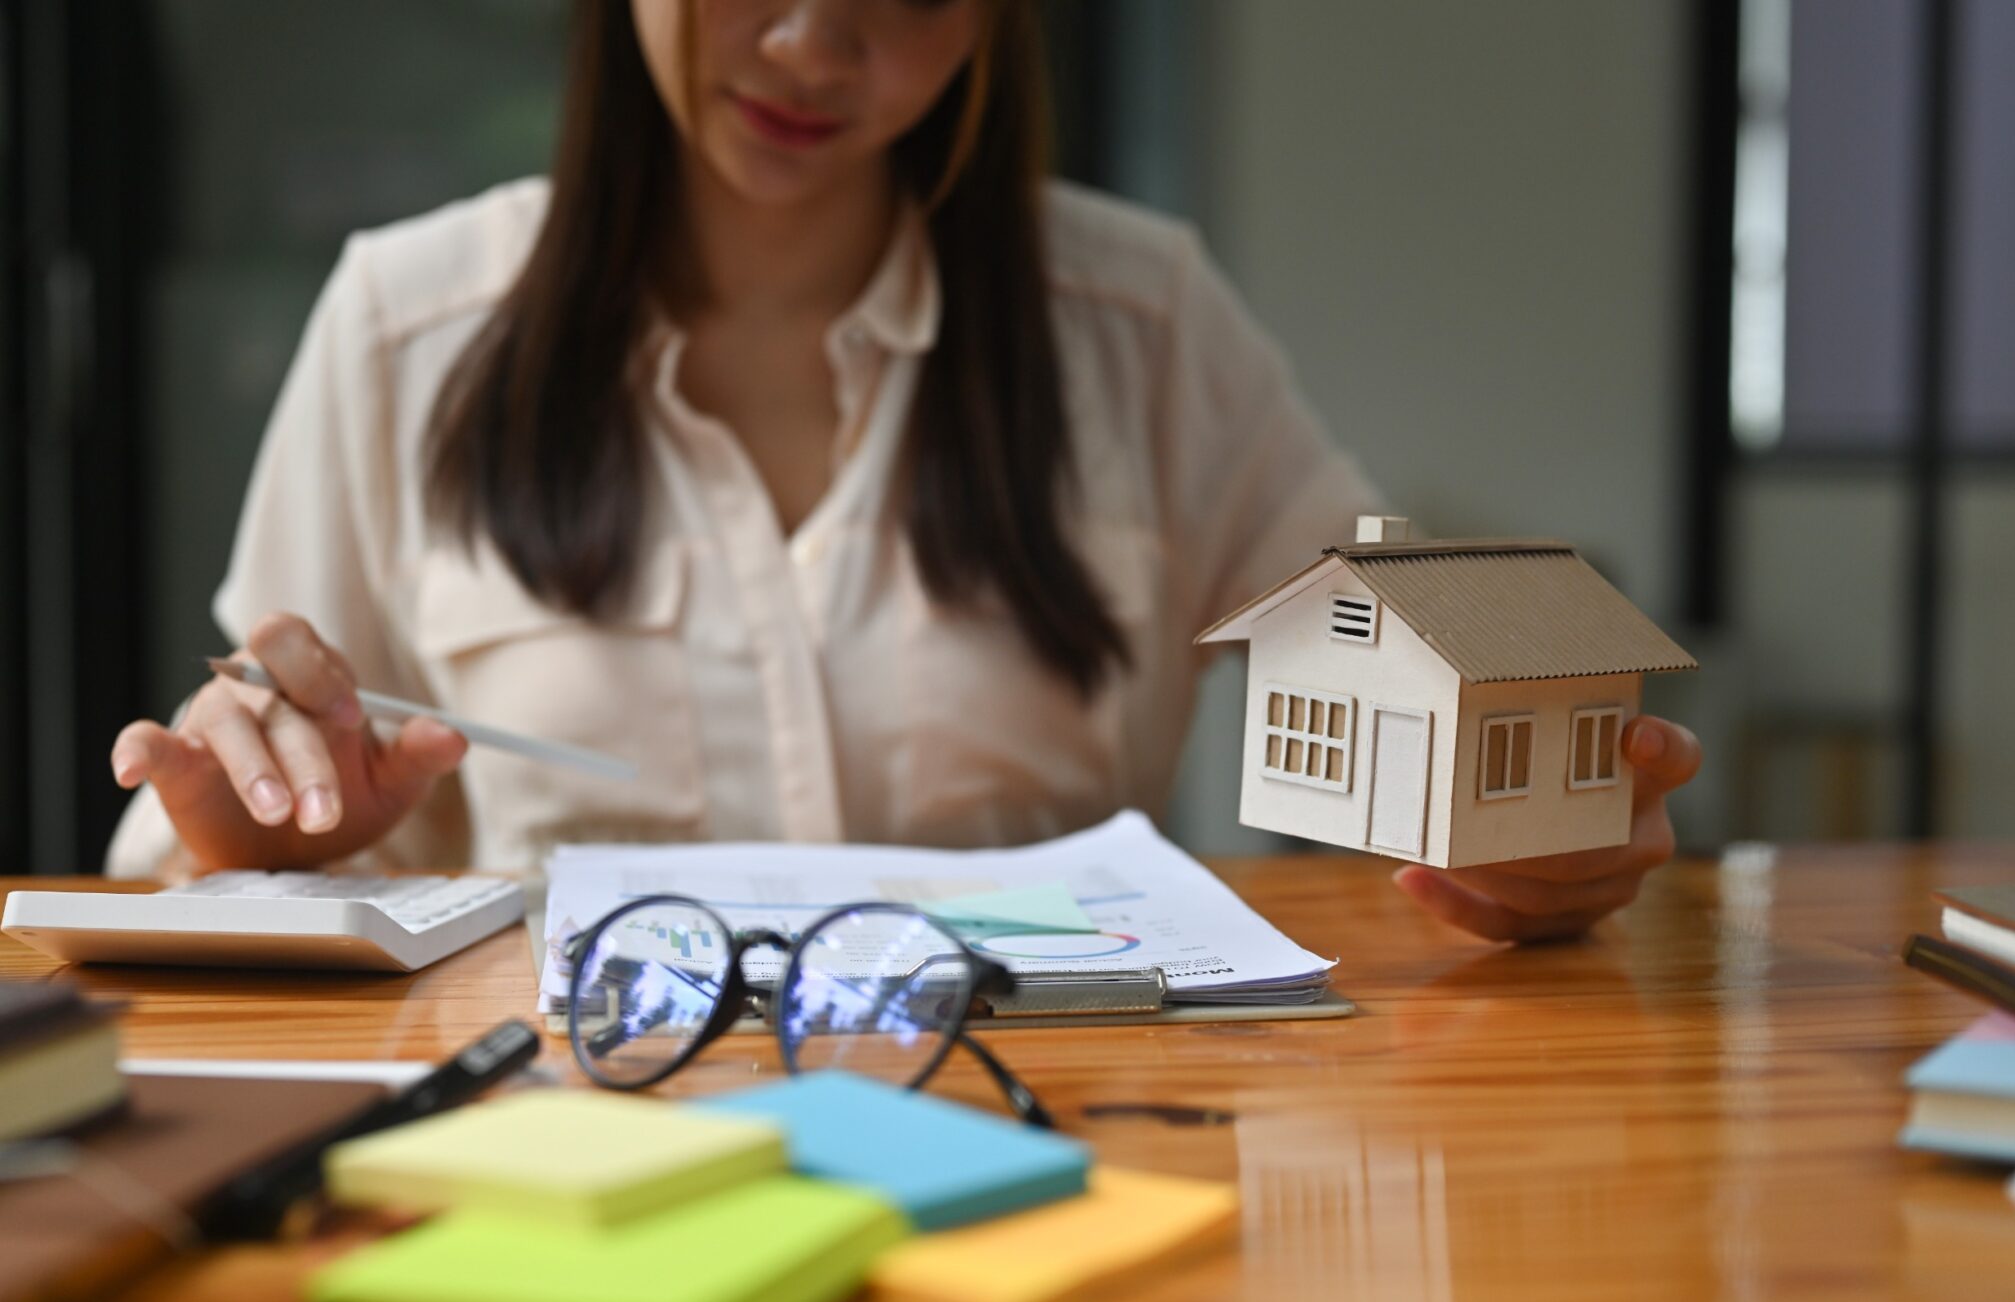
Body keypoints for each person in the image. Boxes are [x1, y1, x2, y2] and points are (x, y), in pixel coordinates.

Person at [106, 0, 1700, 943]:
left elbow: (1394, 669)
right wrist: (256, 840)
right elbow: (209, 839)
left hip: (1064, 1164)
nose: (816, 42)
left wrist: (1513, 831)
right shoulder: (406, 328)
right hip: (573, 1151)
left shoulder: (1139, 327)